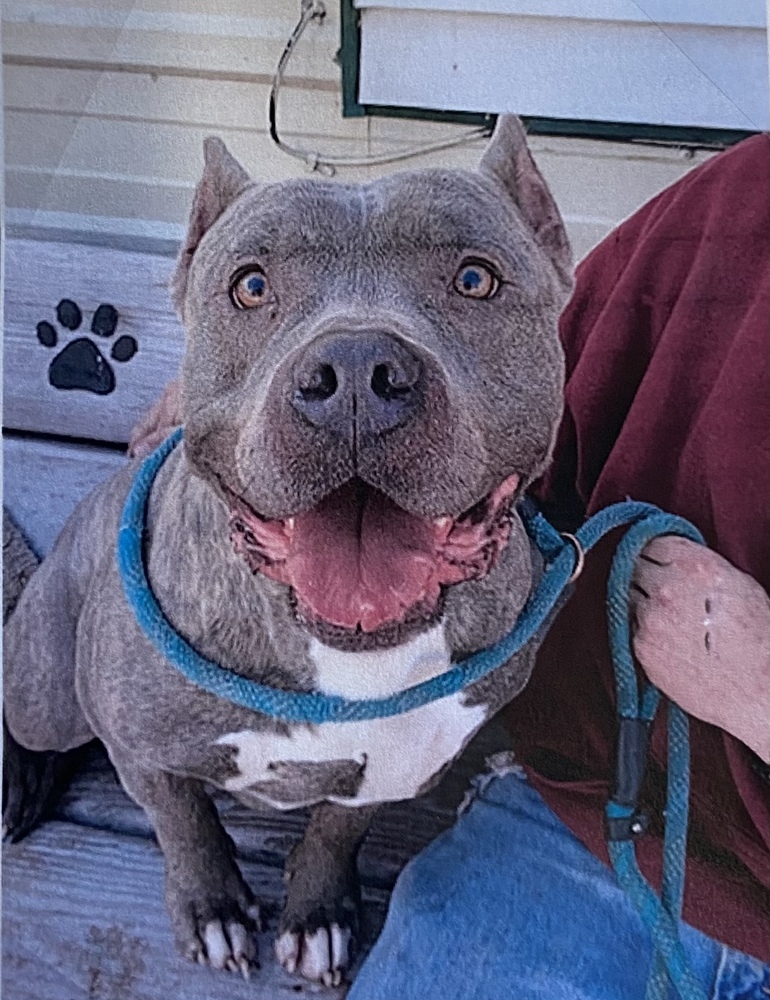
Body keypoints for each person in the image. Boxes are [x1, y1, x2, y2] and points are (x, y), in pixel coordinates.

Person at [131, 132, 769, 998]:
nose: (354, 372)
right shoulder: (747, 193)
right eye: (250, 286)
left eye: (468, 280)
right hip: (612, 809)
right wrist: (241, 378)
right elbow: (570, 338)